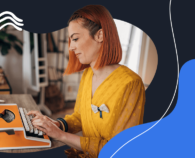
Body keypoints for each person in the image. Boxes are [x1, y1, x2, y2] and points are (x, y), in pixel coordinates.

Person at [27, 4, 145, 158]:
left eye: (75, 38)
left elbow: (121, 149)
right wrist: (56, 124)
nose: (71, 47)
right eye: (70, 40)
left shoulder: (130, 84)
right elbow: (80, 117)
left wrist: (61, 135)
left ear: (100, 35)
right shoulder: (88, 74)